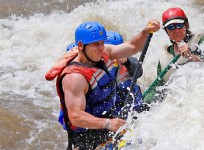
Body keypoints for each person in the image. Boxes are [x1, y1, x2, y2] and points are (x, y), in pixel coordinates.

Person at [45, 20, 160, 150]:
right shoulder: (74, 78)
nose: (101, 48)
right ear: (81, 45)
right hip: (87, 139)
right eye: (95, 44)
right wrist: (108, 123)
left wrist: (145, 32)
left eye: (102, 43)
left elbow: (133, 47)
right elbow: (75, 116)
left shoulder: (105, 52)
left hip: (107, 129)